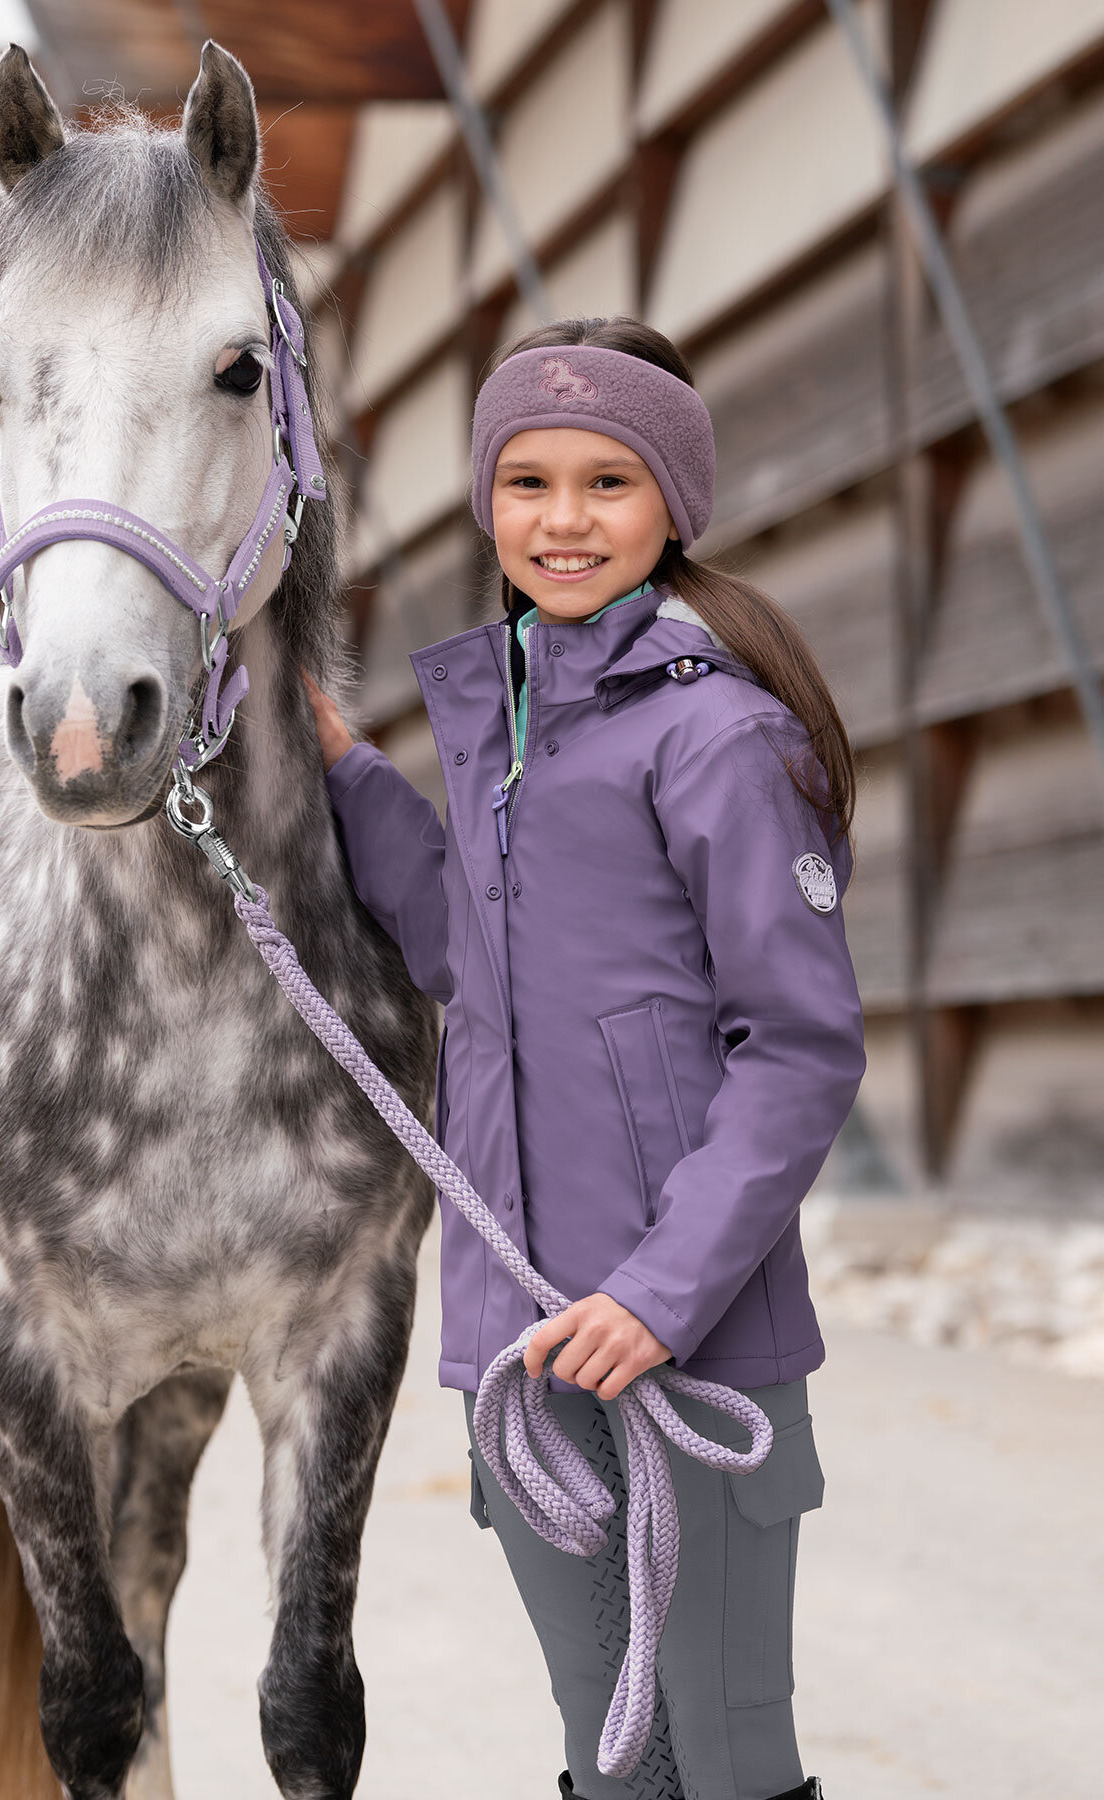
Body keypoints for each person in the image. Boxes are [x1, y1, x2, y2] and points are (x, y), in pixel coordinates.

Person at [301, 317, 865, 1800]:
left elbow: (798, 1048)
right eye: (527, 481)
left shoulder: (716, 741)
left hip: (689, 1344)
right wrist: (350, 777)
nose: (561, 521)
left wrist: (660, 1294)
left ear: (672, 503)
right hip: (522, 1343)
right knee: (609, 1765)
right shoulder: (502, 731)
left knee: (727, 1761)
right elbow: (461, 958)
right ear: (486, 501)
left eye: (607, 482)